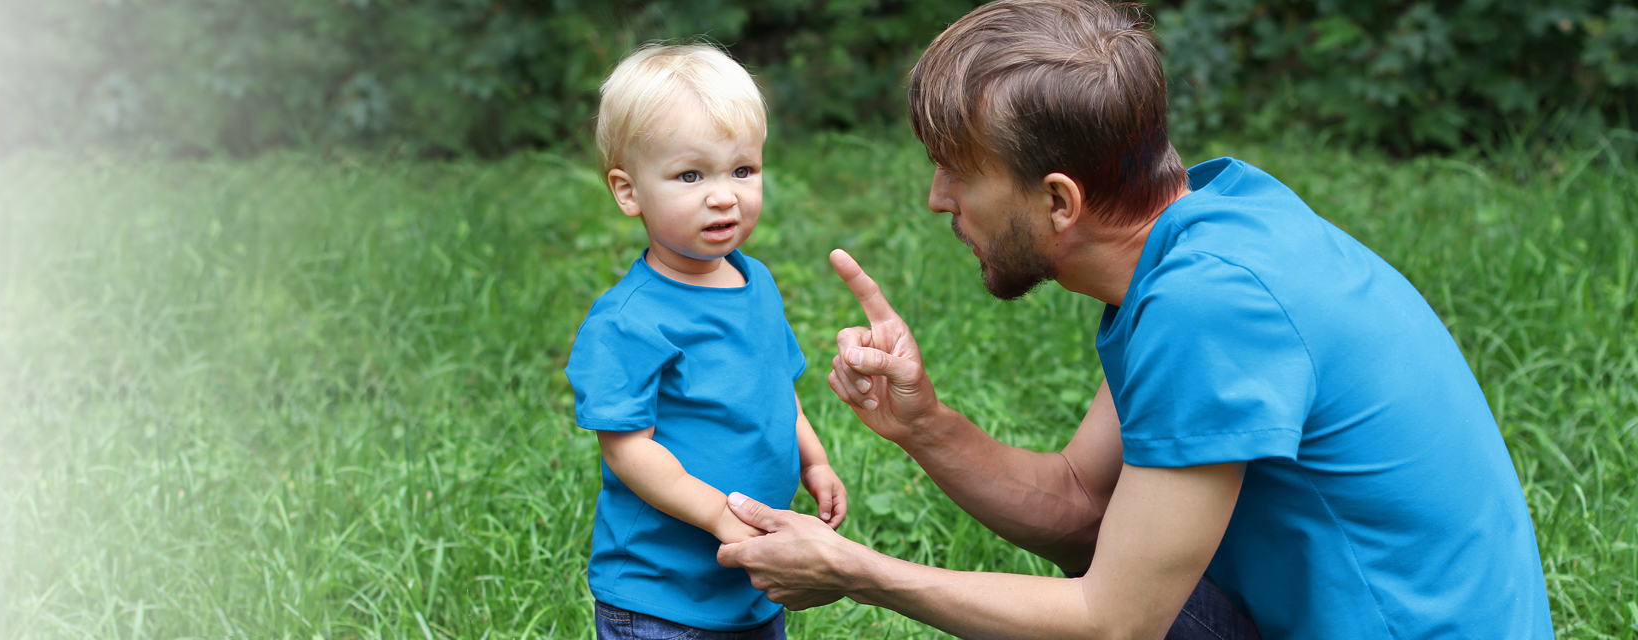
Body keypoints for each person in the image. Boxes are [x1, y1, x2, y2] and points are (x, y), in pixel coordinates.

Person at [713, 1, 1555, 639]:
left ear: (1057, 201)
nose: (938, 201)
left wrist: (858, 571)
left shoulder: (1210, 307)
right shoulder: (1207, 227)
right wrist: (924, 425)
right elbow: (1085, 509)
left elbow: (1116, 621)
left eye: (958, 176)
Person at [563, 42, 849, 639]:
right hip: (659, 595)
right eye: (690, 175)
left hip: (754, 581)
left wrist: (813, 460)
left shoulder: (757, 281)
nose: (724, 195)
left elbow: (777, 390)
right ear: (628, 191)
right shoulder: (629, 321)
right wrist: (719, 515)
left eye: (742, 170)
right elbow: (628, 449)